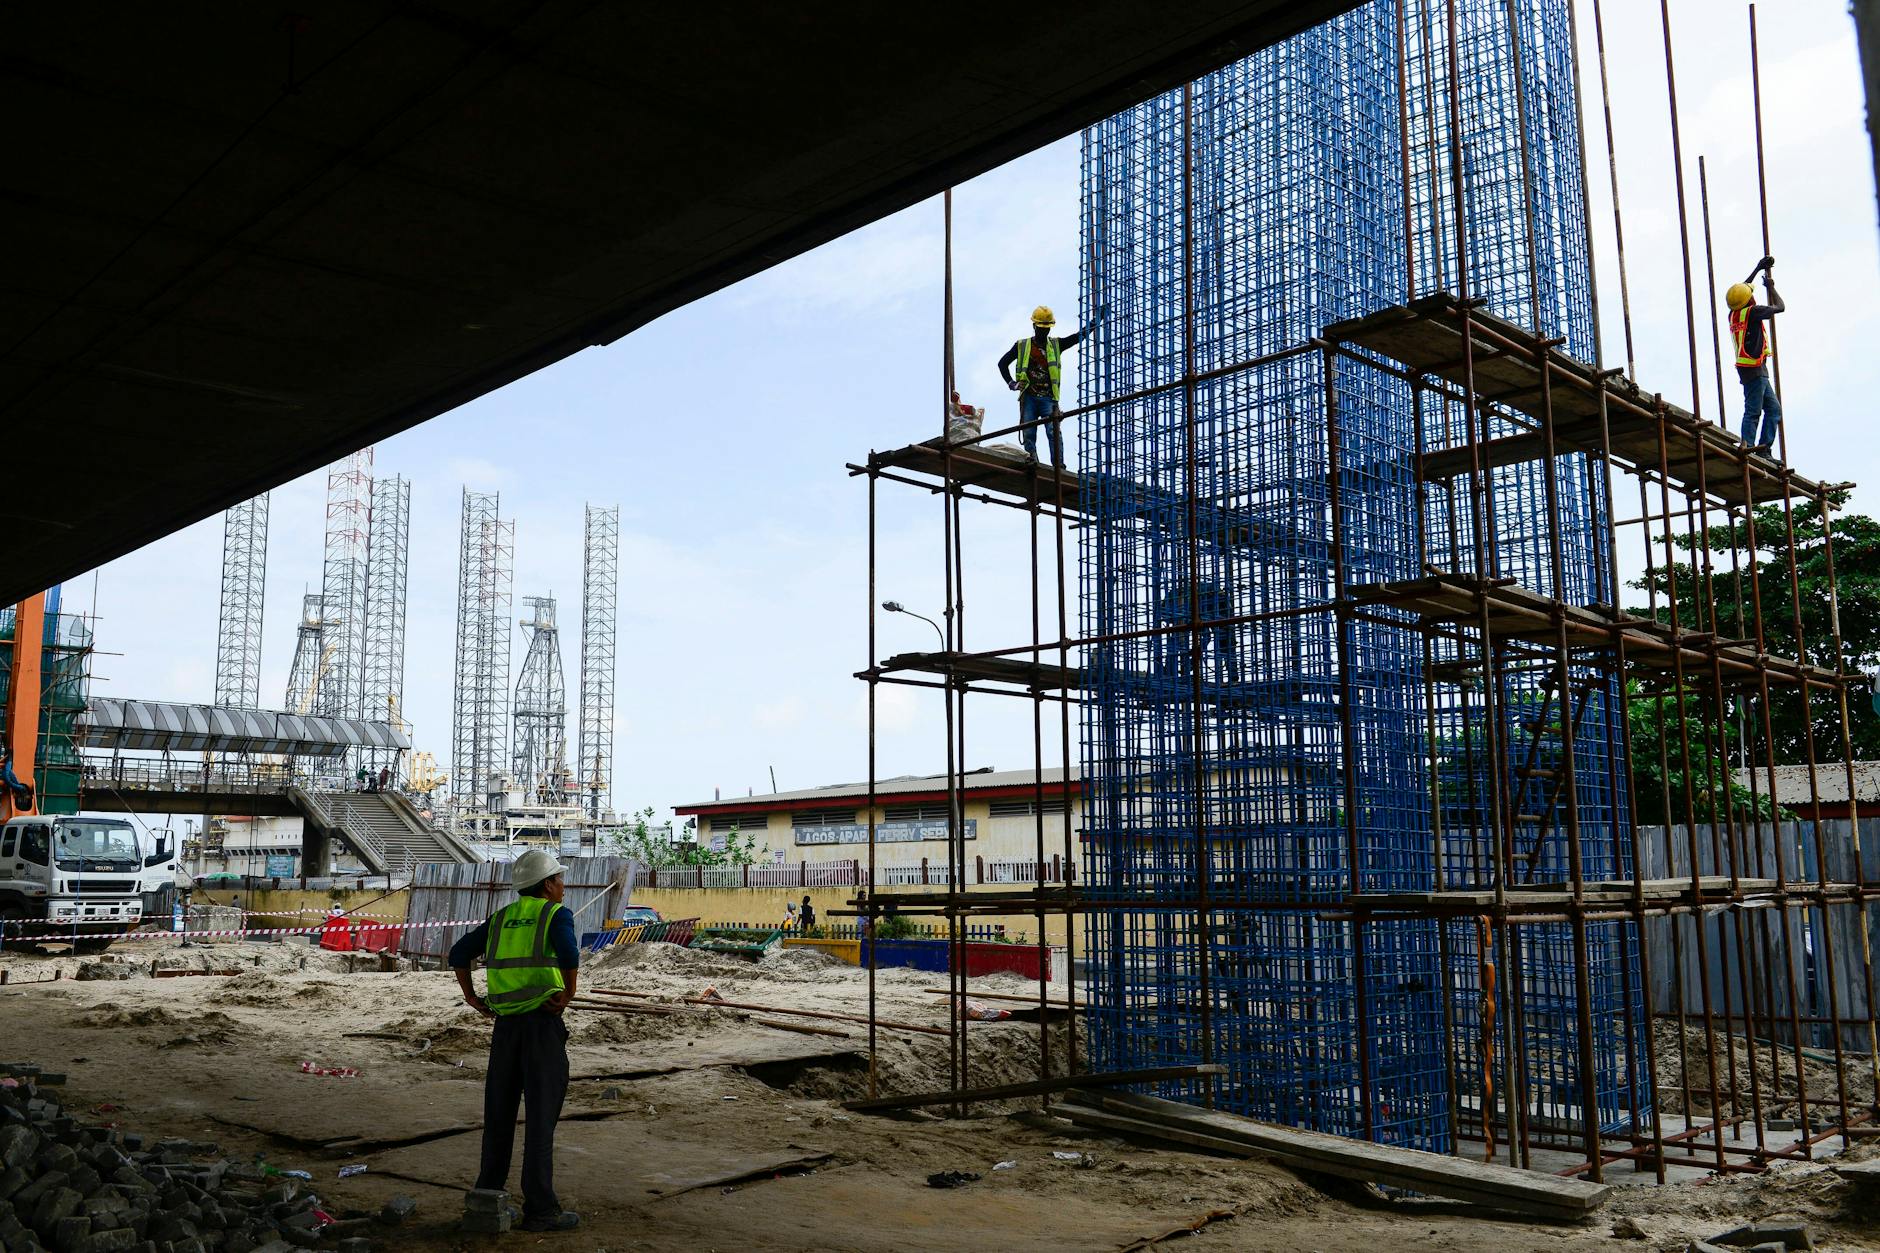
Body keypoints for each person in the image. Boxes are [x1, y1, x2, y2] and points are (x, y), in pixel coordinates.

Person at [449, 849, 581, 1233]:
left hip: (505, 1030)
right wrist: (568, 994)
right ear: (547, 884)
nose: (563, 885)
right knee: (540, 1120)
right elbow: (570, 955)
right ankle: (540, 1210)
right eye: (559, 879)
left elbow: (459, 953)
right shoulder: (555, 914)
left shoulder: (501, 918)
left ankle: (487, 1198)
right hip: (542, 1027)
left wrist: (472, 997)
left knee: (499, 1117)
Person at [996, 304, 1105, 467]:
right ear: (1034, 326)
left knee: (1053, 432)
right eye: (1041, 328)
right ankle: (1032, 461)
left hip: (1048, 398)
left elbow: (1078, 337)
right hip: (1029, 397)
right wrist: (1012, 383)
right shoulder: (1022, 346)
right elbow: (1002, 363)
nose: (1044, 332)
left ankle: (1058, 466)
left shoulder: (1055, 345)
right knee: (1029, 433)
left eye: (1046, 329)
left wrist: (1095, 321)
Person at [1727, 258, 1785, 454]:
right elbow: (1780, 307)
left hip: (1752, 369)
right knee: (1753, 410)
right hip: (1754, 369)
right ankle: (1749, 447)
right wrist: (1771, 287)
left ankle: (1763, 449)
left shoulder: (1734, 313)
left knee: (1774, 409)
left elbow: (1740, 293)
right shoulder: (1753, 312)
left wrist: (1758, 268)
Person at [1156, 580, 1239, 684]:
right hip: (1207, 607)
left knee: (1223, 641)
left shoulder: (1179, 600)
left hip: (1209, 606)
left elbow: (1180, 630)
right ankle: (1173, 670)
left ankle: (1172, 670)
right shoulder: (1179, 597)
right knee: (1223, 640)